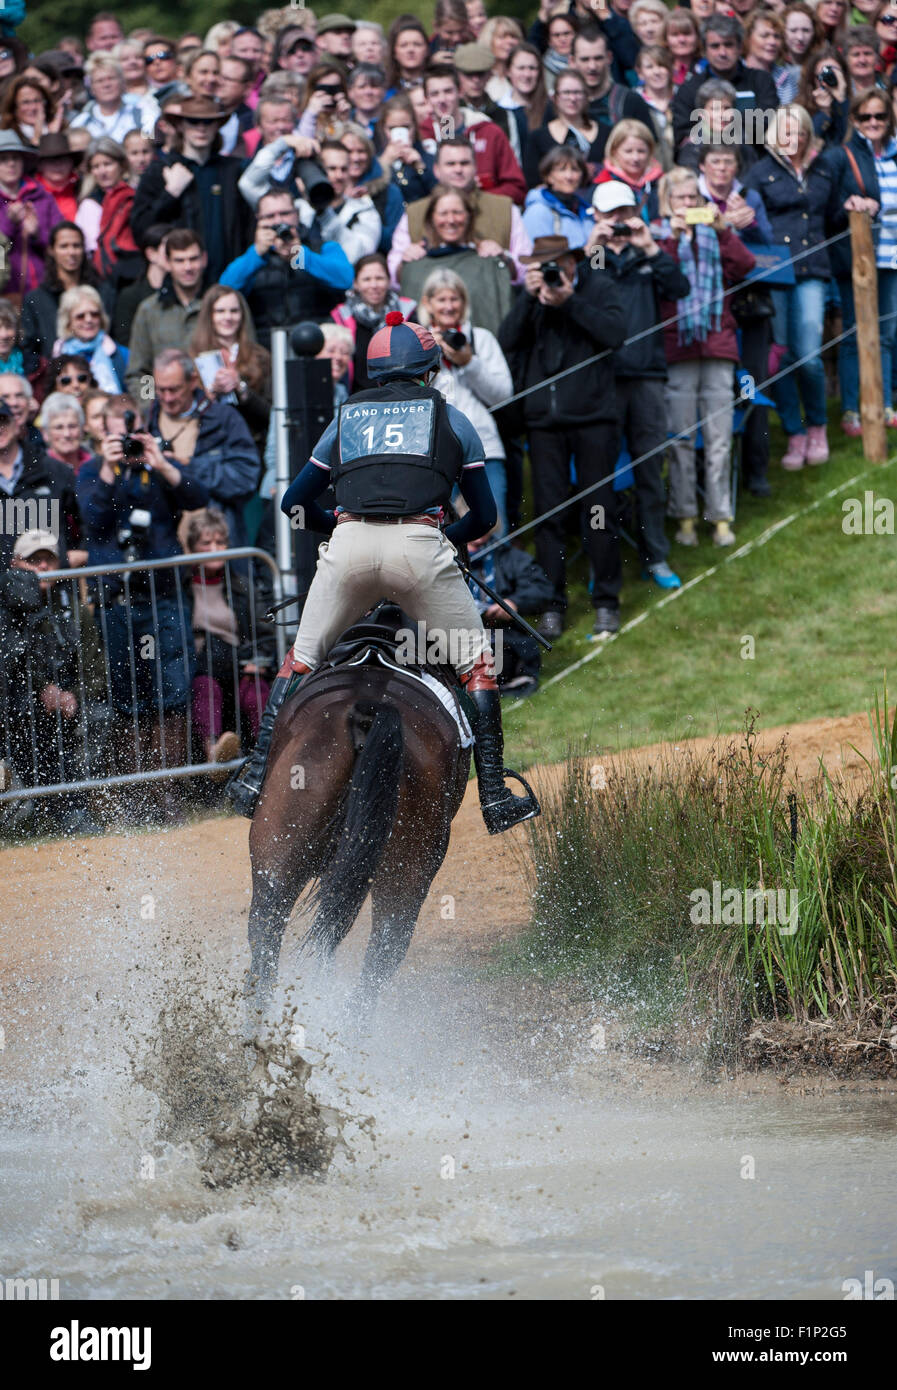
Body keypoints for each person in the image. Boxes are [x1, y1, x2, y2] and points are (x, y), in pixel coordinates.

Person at [227, 310, 541, 837]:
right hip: (421, 549)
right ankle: (493, 796)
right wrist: (445, 541)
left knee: (299, 662)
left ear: (372, 372)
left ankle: (255, 778)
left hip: (349, 547)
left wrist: (337, 528)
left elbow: (292, 501)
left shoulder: (345, 418)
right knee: (478, 669)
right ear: (432, 368)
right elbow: (485, 518)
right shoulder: (454, 419)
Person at [76, 391, 210, 822]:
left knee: (171, 691)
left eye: (131, 434)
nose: (127, 443)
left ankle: (166, 793)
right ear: (102, 433)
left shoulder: (158, 463)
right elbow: (93, 518)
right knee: (126, 696)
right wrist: (109, 469)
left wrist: (163, 462)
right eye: (117, 435)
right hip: (116, 601)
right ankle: (136, 798)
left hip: (164, 597)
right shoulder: (91, 472)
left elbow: (197, 498)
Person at [498, 233, 627, 637]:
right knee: (549, 515)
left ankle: (606, 600)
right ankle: (552, 603)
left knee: (599, 510)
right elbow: (505, 343)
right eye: (544, 266)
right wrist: (529, 299)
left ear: (574, 263)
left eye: (560, 265)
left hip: (593, 417)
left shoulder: (599, 285)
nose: (554, 272)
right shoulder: (531, 299)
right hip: (544, 422)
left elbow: (615, 334)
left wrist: (570, 301)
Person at [587, 180, 690, 589]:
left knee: (650, 469)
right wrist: (591, 246)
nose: (619, 221)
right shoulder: (592, 257)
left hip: (647, 373)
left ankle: (656, 556)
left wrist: (649, 247)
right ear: (596, 216)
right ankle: (602, 566)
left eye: (624, 212)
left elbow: (678, 288)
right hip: (604, 378)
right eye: (611, 214)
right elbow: (576, 289)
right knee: (600, 476)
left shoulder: (648, 252)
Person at [656, 167, 755, 548]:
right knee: (681, 438)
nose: (687, 204)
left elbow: (745, 265)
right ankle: (683, 517)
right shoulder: (657, 239)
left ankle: (720, 517)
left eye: (692, 199)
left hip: (717, 344)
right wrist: (673, 240)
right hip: (677, 347)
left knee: (718, 437)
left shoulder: (716, 234)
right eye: (680, 199)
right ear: (668, 203)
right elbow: (658, 279)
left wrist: (721, 230)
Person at [746, 103, 837, 467]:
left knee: (811, 356)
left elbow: (834, 215)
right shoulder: (759, 172)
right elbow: (749, 218)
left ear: (806, 134)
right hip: (776, 272)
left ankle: (817, 426)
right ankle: (794, 432)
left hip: (814, 267)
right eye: (785, 131)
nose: (792, 138)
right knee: (781, 356)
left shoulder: (823, 168)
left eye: (798, 130)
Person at [2, 527, 105, 837]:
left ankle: (74, 807)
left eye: (49, 560)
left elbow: (97, 670)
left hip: (66, 706)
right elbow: (16, 660)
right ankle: (41, 809)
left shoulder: (74, 610)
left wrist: (72, 695)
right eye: (34, 560)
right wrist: (43, 687)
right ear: (15, 564)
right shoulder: (9, 608)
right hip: (19, 703)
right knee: (32, 720)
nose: (42, 567)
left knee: (97, 717)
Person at [419, 265, 514, 533]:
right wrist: (431, 356)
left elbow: (503, 395)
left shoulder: (481, 338)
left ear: (464, 302)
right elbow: (413, 394)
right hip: (434, 451)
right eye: (442, 299)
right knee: (439, 531)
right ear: (427, 303)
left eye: (454, 299)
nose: (449, 306)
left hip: (484, 449)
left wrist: (469, 363)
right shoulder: (418, 342)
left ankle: (497, 576)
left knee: (492, 527)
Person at [827, 87, 897, 433]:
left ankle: (883, 404)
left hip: (892, 257)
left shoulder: (896, 155)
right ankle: (853, 407)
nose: (873, 122)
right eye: (866, 116)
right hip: (859, 256)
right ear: (854, 119)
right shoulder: (843, 156)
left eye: (880, 116)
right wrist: (852, 205)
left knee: (885, 333)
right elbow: (830, 207)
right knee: (855, 331)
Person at [185, 507, 276, 769]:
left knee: (256, 693)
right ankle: (214, 754)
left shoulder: (241, 586)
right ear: (193, 548)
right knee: (206, 689)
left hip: (239, 664)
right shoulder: (181, 587)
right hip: (202, 668)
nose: (216, 549)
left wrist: (259, 660)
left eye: (221, 542)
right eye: (206, 543)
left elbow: (264, 635)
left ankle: (266, 764)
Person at [144, 348, 260, 549]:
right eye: (161, 390)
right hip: (165, 547)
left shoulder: (224, 419)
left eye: (174, 389)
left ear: (192, 381)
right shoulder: (147, 421)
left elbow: (245, 478)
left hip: (216, 545)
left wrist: (188, 466)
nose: (167, 398)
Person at [130, 95, 253, 283]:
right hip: (179, 284)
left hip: (228, 280)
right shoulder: (159, 171)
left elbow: (249, 226)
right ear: (180, 125)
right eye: (193, 121)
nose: (201, 128)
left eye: (208, 122)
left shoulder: (234, 170)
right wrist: (170, 194)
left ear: (217, 126)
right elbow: (140, 230)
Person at [219, 188, 353, 350]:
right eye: (270, 216)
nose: (278, 221)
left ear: (296, 214)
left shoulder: (322, 248)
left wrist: (299, 255)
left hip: (318, 346)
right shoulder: (254, 256)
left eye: (284, 214)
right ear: (258, 220)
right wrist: (257, 254)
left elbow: (345, 279)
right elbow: (224, 291)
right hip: (267, 349)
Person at [388, 137, 531, 286]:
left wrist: (505, 259)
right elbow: (393, 277)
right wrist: (405, 263)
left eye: (464, 163)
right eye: (450, 164)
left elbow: (526, 268)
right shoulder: (414, 213)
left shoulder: (505, 209)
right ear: (436, 169)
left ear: (475, 167)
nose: (458, 170)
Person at [398, 185, 515, 336]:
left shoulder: (488, 260)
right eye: (443, 213)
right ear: (432, 217)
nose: (451, 220)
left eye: (457, 212)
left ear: (468, 216)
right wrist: (404, 265)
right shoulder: (415, 263)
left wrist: (503, 259)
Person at [418, 64, 528, 205]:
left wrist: (477, 198)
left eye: (448, 91)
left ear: (460, 92)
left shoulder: (489, 131)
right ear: (426, 99)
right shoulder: (420, 136)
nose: (442, 100)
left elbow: (516, 188)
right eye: (434, 94)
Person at [673, 14, 779, 149]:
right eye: (715, 46)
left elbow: (769, 124)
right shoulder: (689, 89)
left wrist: (716, 123)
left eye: (728, 45)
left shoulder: (761, 81)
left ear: (740, 47)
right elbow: (683, 136)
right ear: (705, 50)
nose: (722, 52)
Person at [190, 284, 272, 457]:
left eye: (234, 311)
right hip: (207, 448)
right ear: (209, 316)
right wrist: (210, 394)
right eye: (220, 311)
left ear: (242, 315)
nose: (228, 317)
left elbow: (272, 414)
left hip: (253, 447)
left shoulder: (261, 356)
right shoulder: (191, 357)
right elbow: (185, 415)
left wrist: (241, 389)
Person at [125, 228, 207, 396]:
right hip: (165, 411)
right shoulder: (149, 310)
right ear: (168, 263)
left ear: (204, 259)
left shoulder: (219, 305)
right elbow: (140, 372)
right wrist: (150, 408)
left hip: (215, 412)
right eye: (179, 260)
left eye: (193, 259)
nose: (188, 267)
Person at [21, 220, 114, 360]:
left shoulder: (103, 291)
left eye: (76, 246)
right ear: (51, 251)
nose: (71, 252)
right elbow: (29, 349)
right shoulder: (35, 299)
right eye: (64, 246)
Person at [331, 252, 416, 391]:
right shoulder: (341, 316)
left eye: (379, 278)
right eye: (366, 279)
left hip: (399, 397)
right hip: (356, 399)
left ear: (389, 281)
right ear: (356, 283)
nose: (374, 285)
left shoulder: (407, 312)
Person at [0, 130, 62, 300]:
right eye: (3, 159)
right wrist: (9, 224)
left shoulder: (42, 196)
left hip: (43, 289)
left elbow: (61, 240)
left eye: (16, 158)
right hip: (6, 292)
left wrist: (37, 234)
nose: (11, 164)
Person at [526, 69, 606, 185]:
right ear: (555, 97)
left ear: (586, 96)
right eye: (566, 93)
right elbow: (533, 181)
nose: (572, 99)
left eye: (578, 92)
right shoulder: (537, 138)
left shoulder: (606, 133)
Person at [53, 285, 127, 395]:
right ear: (68, 322)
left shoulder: (121, 354)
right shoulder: (58, 356)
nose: (88, 320)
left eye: (94, 314)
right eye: (80, 316)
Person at [68, 53, 157, 142]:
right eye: (100, 81)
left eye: (111, 78)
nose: (106, 85)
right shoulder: (81, 122)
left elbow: (149, 145)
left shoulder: (144, 114)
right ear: (91, 88)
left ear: (122, 82)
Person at [523, 147, 596, 248]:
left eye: (575, 170)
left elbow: (597, 263)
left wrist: (599, 246)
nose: (569, 176)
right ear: (548, 176)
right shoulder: (539, 211)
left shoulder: (587, 212)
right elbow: (538, 259)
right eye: (562, 170)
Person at [32, 132, 82, 222]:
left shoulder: (83, 189)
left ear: (71, 163)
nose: (57, 165)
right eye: (51, 160)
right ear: (40, 165)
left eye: (63, 159)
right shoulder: (30, 192)